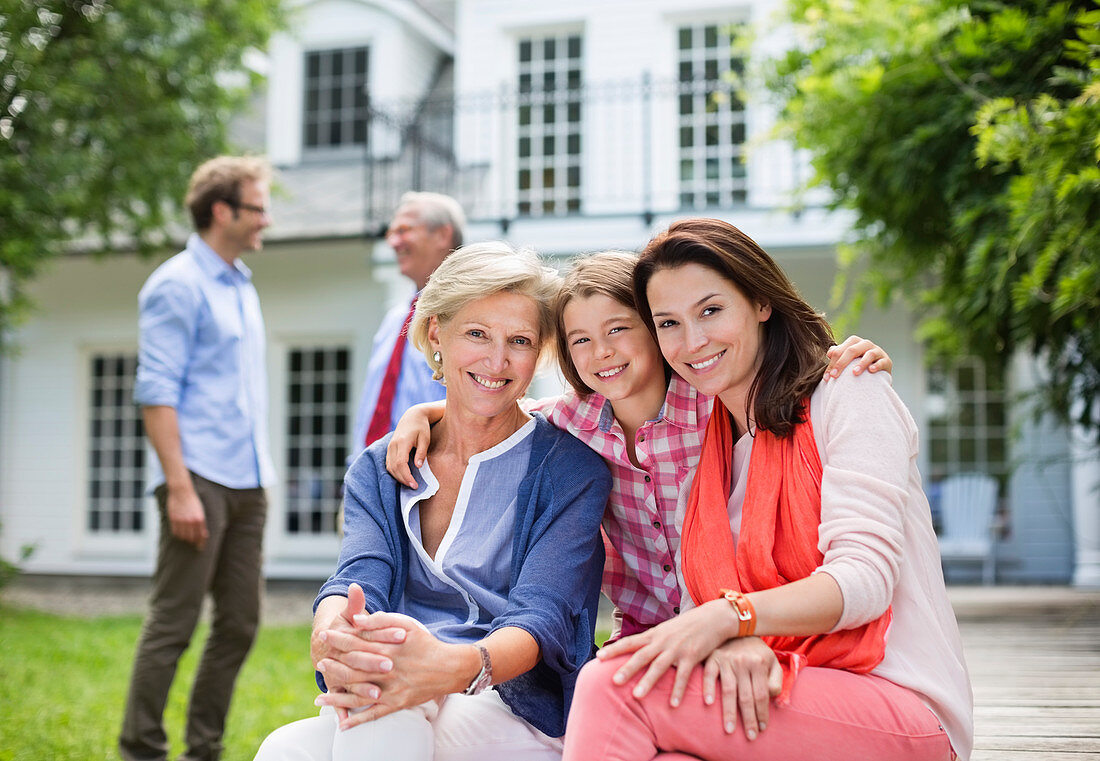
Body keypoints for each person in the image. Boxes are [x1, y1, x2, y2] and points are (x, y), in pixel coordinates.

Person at [561, 219, 973, 760]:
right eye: (668, 323)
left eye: (711, 310)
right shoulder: (703, 447)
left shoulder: (847, 392)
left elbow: (865, 578)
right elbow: (540, 415)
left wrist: (731, 619)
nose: (694, 341)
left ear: (760, 301)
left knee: (615, 683)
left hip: (897, 703)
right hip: (781, 688)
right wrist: (432, 415)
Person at [387, 250, 890, 644]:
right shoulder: (574, 422)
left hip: (740, 628)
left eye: (619, 330)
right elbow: (509, 415)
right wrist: (425, 414)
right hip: (642, 631)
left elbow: (769, 377)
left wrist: (850, 356)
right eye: (580, 340)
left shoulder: (711, 405)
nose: (601, 352)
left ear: (656, 330)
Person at [254, 242, 611, 761]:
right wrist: (332, 631)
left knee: (386, 719)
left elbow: (544, 618)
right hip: (396, 673)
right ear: (436, 331)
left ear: (540, 351)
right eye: (477, 334)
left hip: (510, 700)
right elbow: (361, 574)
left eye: (519, 340)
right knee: (283, 749)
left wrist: (442, 668)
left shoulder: (570, 470)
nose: (497, 360)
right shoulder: (380, 467)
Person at [121, 156, 276, 761]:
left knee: (239, 623)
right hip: (199, 478)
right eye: (258, 207)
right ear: (223, 211)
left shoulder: (242, 283)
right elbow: (156, 392)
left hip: (247, 479)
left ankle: (202, 750)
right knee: (175, 622)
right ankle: (141, 749)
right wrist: (179, 488)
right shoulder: (176, 285)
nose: (267, 219)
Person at [351, 192, 466, 457]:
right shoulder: (394, 321)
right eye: (391, 232)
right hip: (371, 474)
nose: (392, 241)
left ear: (442, 235)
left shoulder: (468, 319)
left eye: (404, 230)